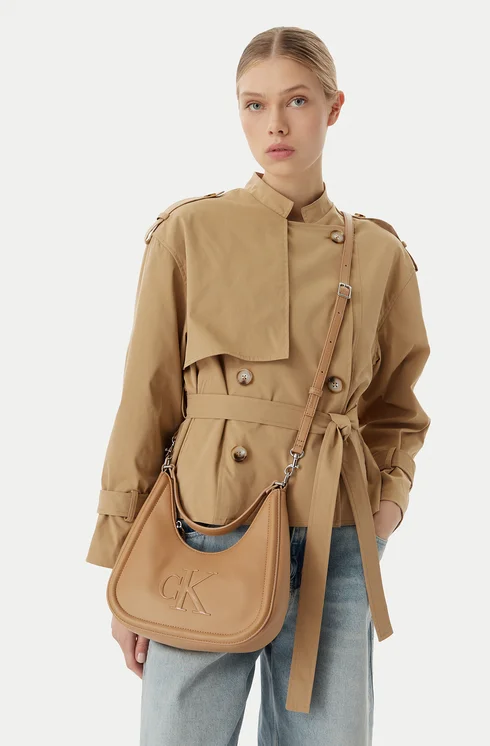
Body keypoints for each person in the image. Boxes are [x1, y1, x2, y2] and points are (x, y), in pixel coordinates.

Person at [85, 25, 431, 746]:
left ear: (334, 107)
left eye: (296, 100)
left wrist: (387, 505)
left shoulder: (380, 255)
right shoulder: (189, 233)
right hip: (205, 531)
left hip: (337, 541)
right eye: (254, 104)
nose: (275, 124)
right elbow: (146, 400)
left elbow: (397, 407)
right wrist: (122, 561)